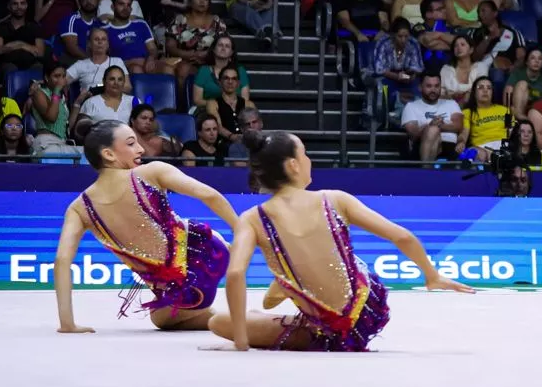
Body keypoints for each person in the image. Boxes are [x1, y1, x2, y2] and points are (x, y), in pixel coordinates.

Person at [207, 129, 473, 351]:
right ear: (293, 165)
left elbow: (236, 273)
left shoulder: (252, 218)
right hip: (365, 317)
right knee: (333, 257)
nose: (309, 159)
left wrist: (241, 342)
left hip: (325, 331)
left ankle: (283, 285)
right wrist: (431, 274)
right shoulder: (334, 199)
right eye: (305, 153)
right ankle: (282, 286)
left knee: (219, 322)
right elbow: (402, 236)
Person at [52, 120, 238, 333]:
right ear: (109, 154)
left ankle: (236, 320)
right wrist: (240, 230)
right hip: (210, 253)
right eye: (131, 143)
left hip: (191, 280)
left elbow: (62, 260)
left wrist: (67, 323)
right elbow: (209, 194)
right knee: (160, 320)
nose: (140, 148)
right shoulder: (152, 171)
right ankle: (237, 317)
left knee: (164, 315)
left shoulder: (79, 208)